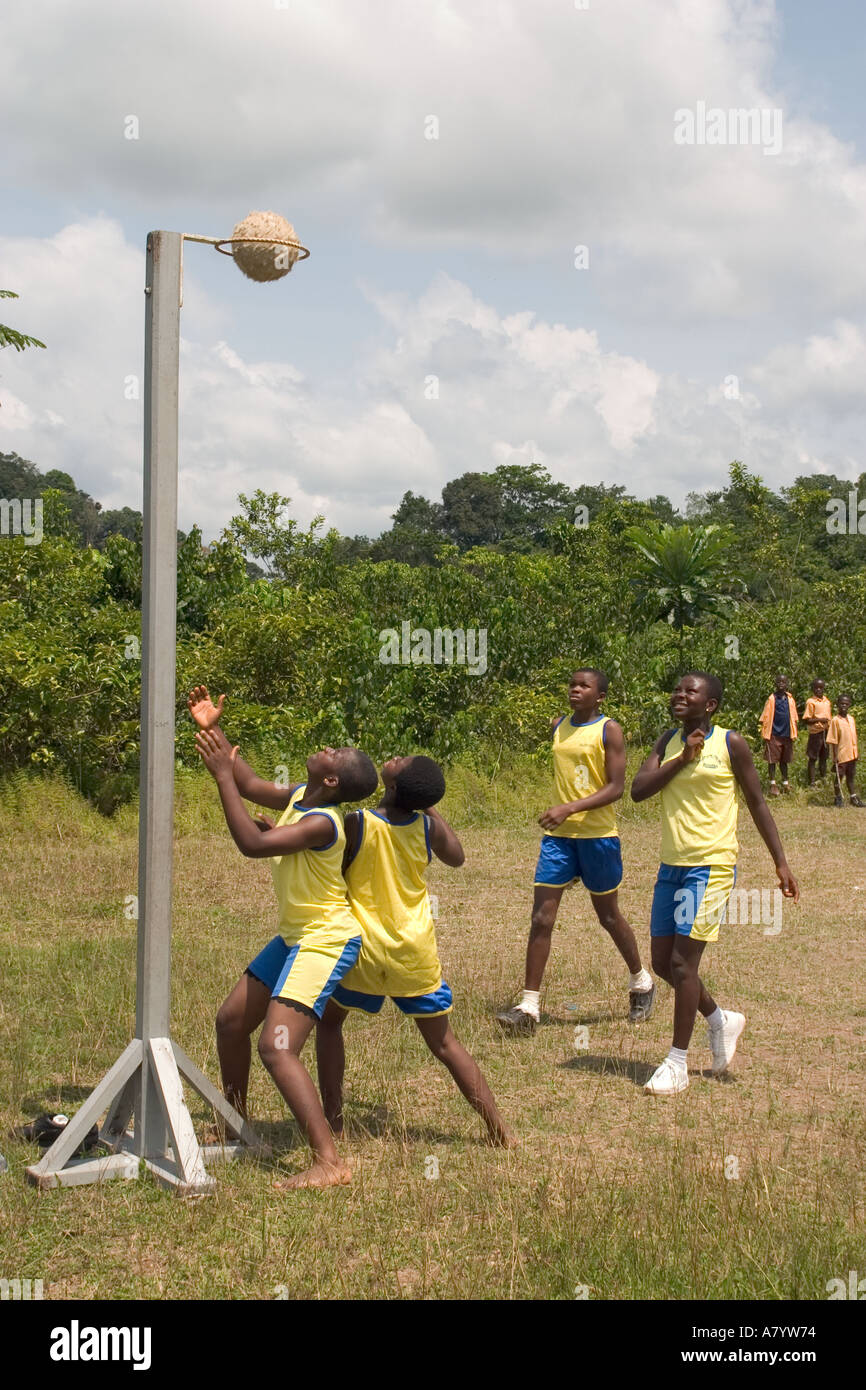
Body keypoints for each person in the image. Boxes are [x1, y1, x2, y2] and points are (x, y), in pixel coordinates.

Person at [189, 685, 379, 1189]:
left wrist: (222, 778)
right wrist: (212, 726)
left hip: (326, 939)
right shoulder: (300, 795)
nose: (326, 747)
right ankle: (235, 1125)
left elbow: (252, 844)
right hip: (296, 935)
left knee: (276, 1047)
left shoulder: (323, 821)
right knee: (231, 1022)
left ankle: (330, 1161)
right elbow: (250, 782)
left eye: (333, 752)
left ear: (333, 778)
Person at [317, 755, 513, 1146]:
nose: (395, 758)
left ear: (391, 786)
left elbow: (324, 861)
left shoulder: (357, 823)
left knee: (330, 1024)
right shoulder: (426, 828)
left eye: (400, 763)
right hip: (414, 953)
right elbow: (457, 857)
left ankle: (334, 1124)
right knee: (445, 1044)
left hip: (364, 952)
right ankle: (499, 1130)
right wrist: (428, 806)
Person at [631, 672, 798, 1096]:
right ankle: (720, 1019)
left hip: (712, 866)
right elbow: (637, 790)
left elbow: (758, 802)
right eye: (677, 690)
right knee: (662, 963)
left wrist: (780, 863)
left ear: (711, 706)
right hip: (672, 866)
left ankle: (677, 1064)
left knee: (685, 964)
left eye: (691, 691)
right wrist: (681, 760)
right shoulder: (667, 742)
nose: (680, 695)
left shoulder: (731, 743)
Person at [496, 668, 654, 1036]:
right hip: (559, 840)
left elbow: (616, 787)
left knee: (609, 917)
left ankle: (642, 982)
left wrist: (569, 807)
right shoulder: (559, 726)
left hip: (598, 837)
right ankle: (529, 1007)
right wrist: (563, 814)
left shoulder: (609, 730)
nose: (575, 690)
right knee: (541, 918)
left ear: (600, 696)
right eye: (572, 684)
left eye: (584, 686)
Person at [759, 675, 798, 796]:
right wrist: (766, 732)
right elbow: (765, 717)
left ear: (787, 684)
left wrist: (794, 730)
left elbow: (794, 717)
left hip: (787, 734)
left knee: (784, 761)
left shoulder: (790, 699)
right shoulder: (772, 698)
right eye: (779, 681)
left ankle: (785, 783)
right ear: (775, 683)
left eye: (784, 682)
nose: (781, 683)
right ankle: (773, 784)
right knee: (772, 761)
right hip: (774, 734)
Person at [827, 694, 864, 808]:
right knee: (839, 777)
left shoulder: (851, 719)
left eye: (846, 704)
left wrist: (856, 752)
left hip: (852, 753)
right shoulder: (835, 720)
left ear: (849, 705)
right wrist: (835, 756)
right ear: (838, 705)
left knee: (851, 776)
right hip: (841, 754)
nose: (844, 706)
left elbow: (853, 737)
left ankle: (853, 797)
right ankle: (838, 798)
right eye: (841, 703)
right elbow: (833, 739)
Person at [803, 678, 832, 788]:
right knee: (813, 758)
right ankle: (812, 782)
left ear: (824, 688)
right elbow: (807, 720)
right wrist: (820, 720)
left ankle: (824, 780)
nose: (818, 690)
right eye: (816, 688)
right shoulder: (811, 702)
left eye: (821, 687)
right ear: (813, 689)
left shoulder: (827, 701)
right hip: (816, 733)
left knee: (824, 758)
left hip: (826, 732)